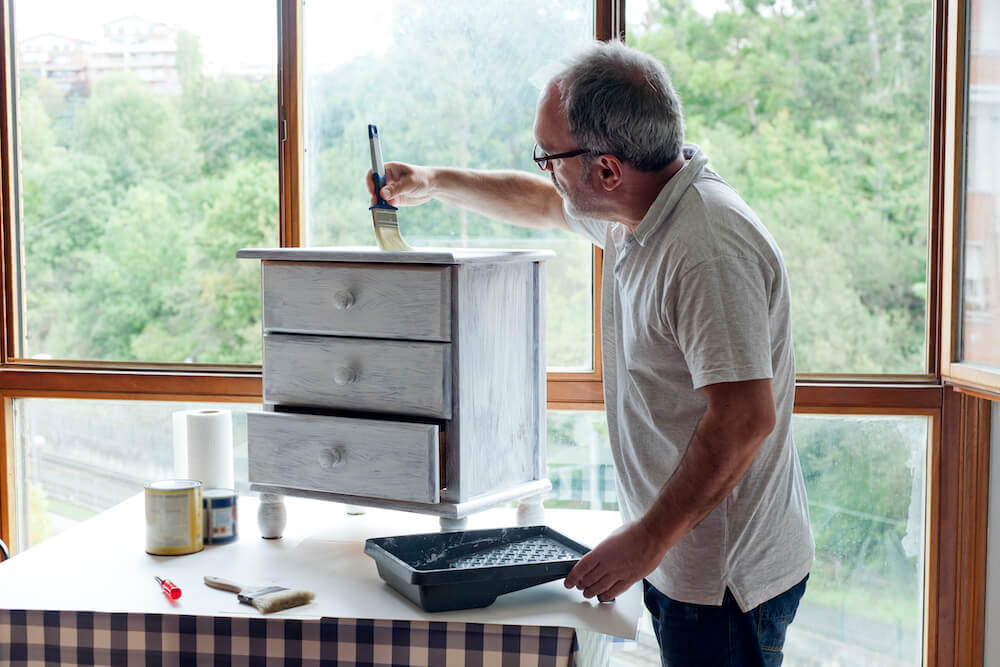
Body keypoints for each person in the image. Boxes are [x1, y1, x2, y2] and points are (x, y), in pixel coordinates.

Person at [367, 40, 814, 666]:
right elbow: (547, 203)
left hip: (723, 581)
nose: (545, 169)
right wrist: (434, 183)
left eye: (549, 156)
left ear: (607, 169)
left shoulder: (705, 246)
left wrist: (646, 541)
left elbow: (744, 419)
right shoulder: (640, 206)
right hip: (680, 555)